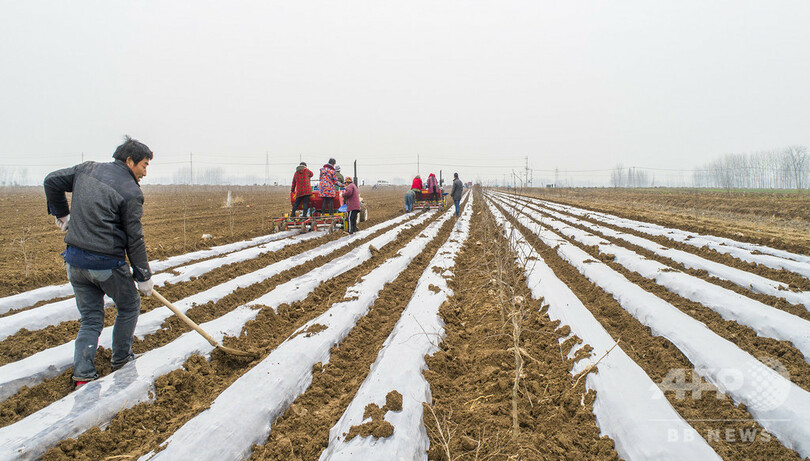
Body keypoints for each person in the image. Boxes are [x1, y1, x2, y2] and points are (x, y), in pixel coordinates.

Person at [43, 136, 154, 387]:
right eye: (144, 165)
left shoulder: (86, 169)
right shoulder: (131, 192)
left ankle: (83, 374)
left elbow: (51, 181)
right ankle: (122, 361)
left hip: (75, 262)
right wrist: (143, 276)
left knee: (91, 319)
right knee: (129, 306)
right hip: (106, 265)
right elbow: (134, 237)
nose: (145, 173)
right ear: (129, 161)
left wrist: (62, 213)